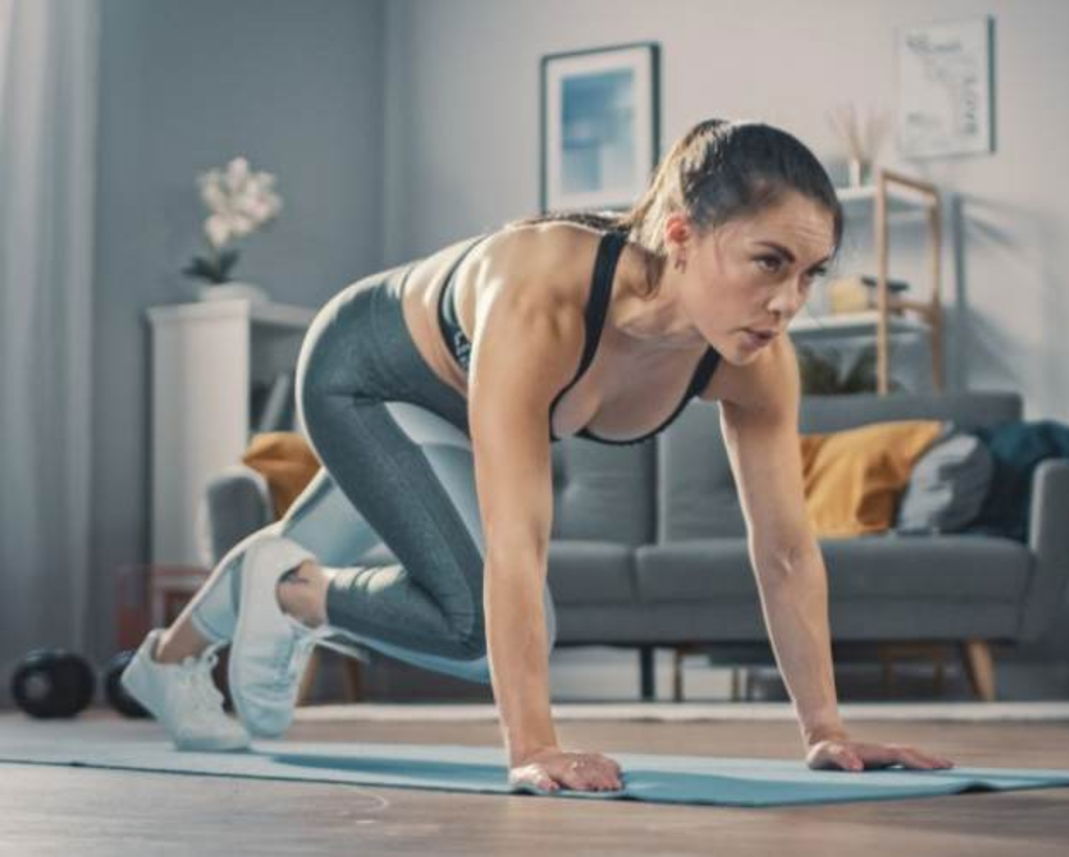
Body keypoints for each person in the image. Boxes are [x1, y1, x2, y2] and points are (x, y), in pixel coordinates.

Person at [120, 118, 955, 792]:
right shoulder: (545, 299)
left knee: (355, 555)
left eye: (810, 274)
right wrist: (534, 746)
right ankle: (295, 594)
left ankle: (166, 663)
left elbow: (783, 550)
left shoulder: (756, 361)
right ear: (681, 235)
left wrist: (826, 732)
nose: (789, 302)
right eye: (769, 262)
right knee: (482, 624)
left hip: (442, 413)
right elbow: (516, 541)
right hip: (365, 378)